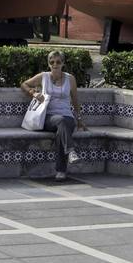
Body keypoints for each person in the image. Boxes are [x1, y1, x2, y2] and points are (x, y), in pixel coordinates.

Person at [21, 51, 86, 181]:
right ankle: (71, 152)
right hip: (47, 117)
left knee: (62, 130)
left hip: (67, 117)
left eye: (58, 62)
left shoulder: (70, 79)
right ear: (49, 64)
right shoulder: (43, 76)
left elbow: (75, 100)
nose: (55, 65)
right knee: (60, 122)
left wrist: (79, 119)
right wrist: (33, 93)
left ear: (63, 63)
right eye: (52, 62)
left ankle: (61, 172)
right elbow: (24, 84)